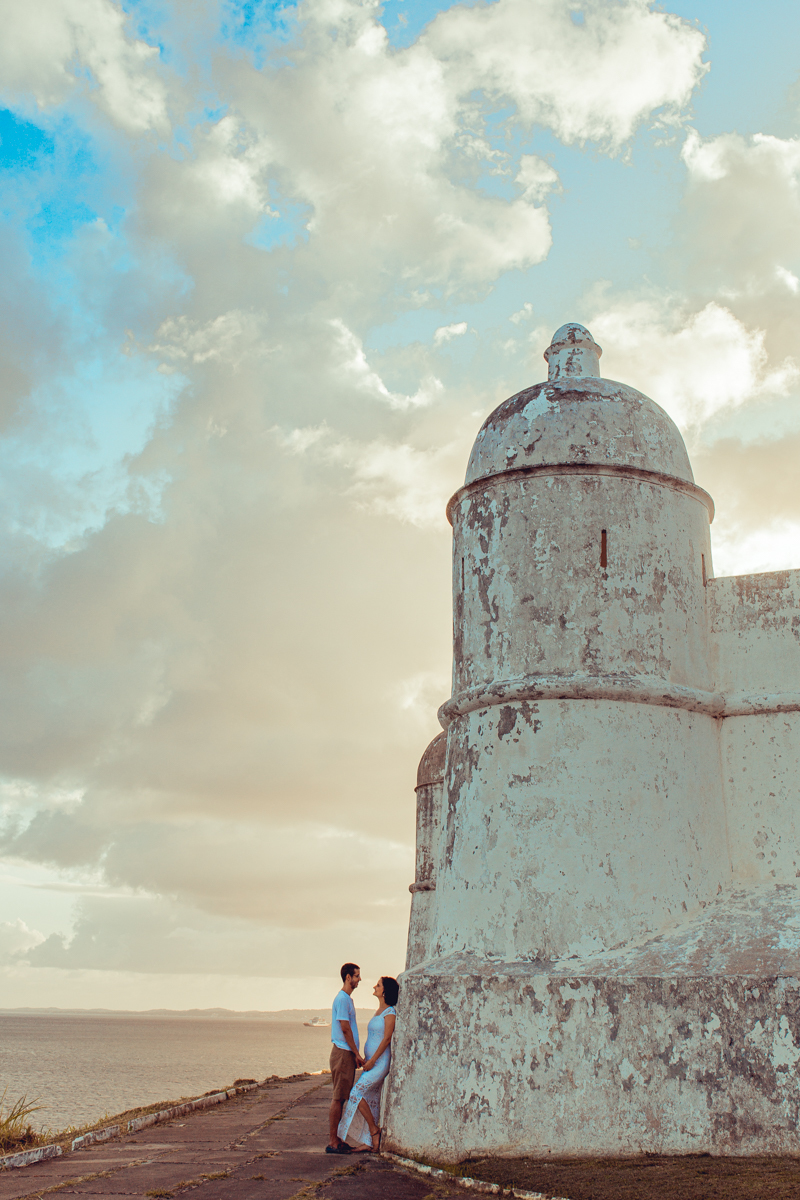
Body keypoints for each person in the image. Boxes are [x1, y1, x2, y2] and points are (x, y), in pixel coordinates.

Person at [337, 976, 399, 1153]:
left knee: (355, 1092)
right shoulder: (379, 1011)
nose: (374, 986)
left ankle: (374, 1130)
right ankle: (368, 1142)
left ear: (385, 991)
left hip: (379, 1063)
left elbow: (386, 1039)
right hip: (371, 1062)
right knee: (371, 1099)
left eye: (378, 985)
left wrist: (372, 1061)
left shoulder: (390, 1012)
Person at [327, 962, 364, 1154]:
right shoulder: (342, 999)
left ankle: (338, 1139)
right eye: (357, 976)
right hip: (342, 1052)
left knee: (342, 1096)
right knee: (338, 1097)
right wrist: (356, 1053)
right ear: (348, 977)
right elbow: (344, 1028)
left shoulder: (347, 1000)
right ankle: (333, 1141)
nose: (359, 979)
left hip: (346, 1053)